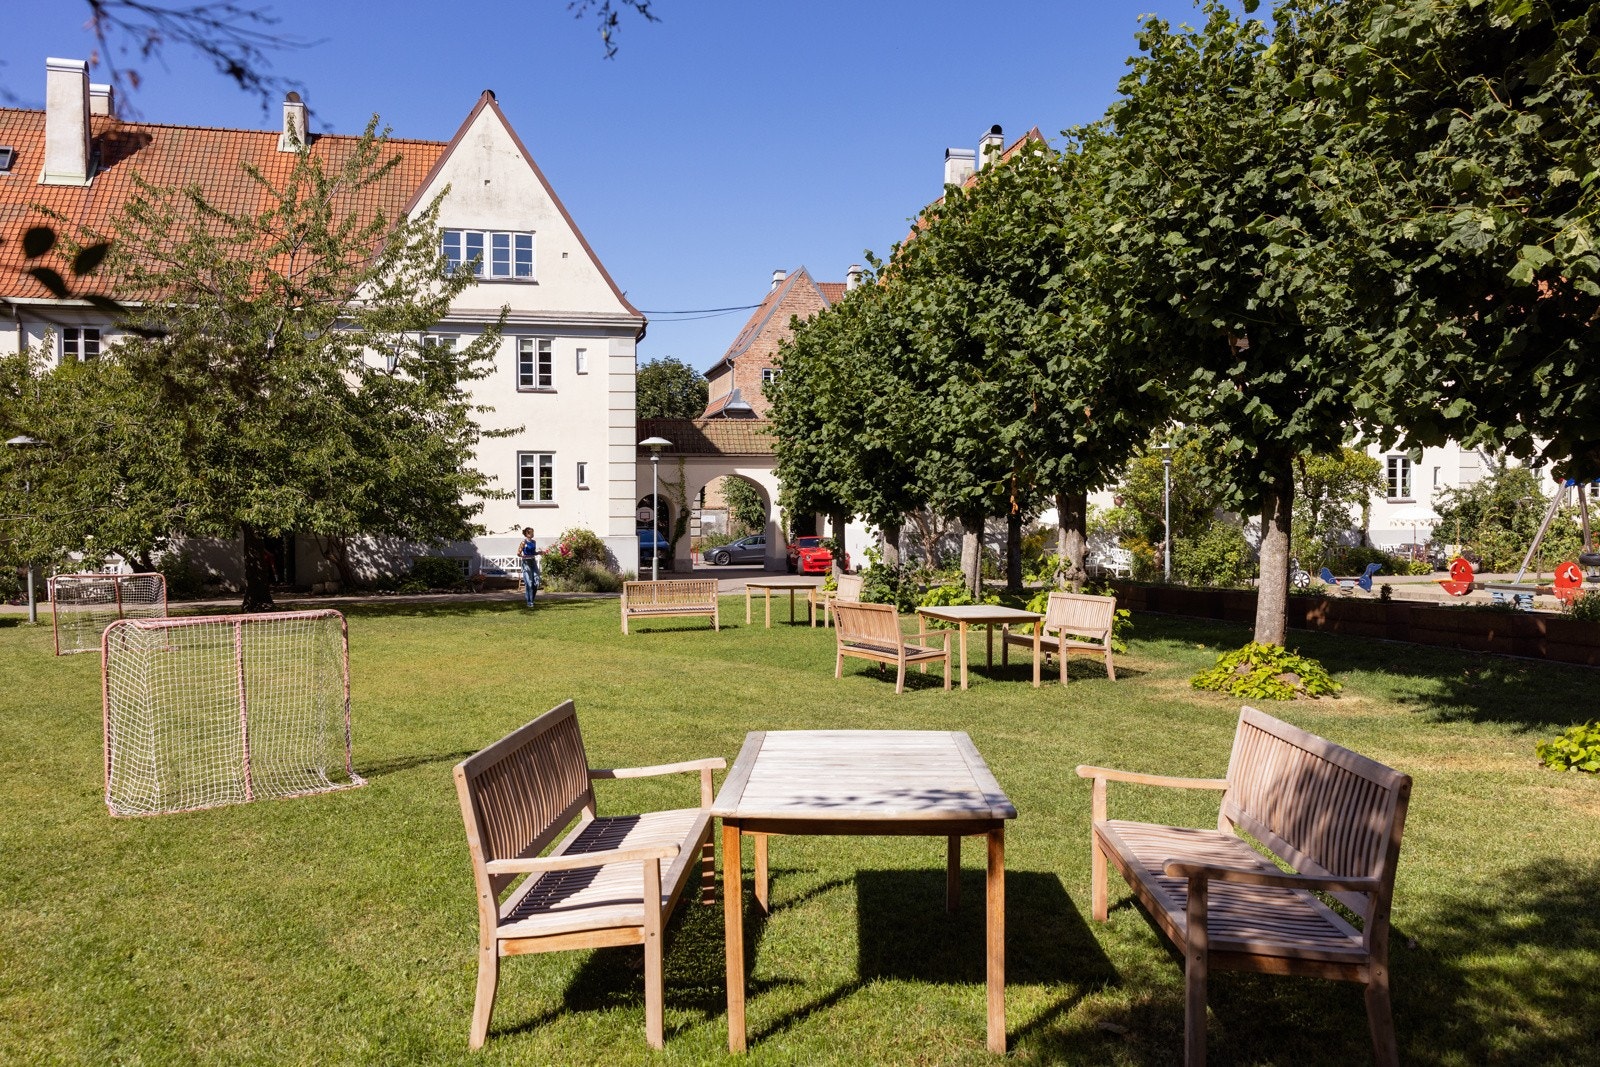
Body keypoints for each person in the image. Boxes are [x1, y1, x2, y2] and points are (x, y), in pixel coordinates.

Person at [517, 527, 543, 606]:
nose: (533, 534)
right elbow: (518, 553)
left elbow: (533, 552)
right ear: (527, 534)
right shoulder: (523, 542)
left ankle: (531, 599)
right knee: (529, 583)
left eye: (533, 532)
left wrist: (539, 552)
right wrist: (521, 555)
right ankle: (529, 602)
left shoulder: (534, 542)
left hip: (533, 562)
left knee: (536, 581)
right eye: (531, 532)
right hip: (526, 562)